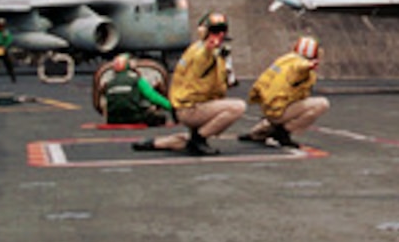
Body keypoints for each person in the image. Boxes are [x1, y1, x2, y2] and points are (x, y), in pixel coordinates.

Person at [132, 11, 245, 156]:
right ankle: (200, 139)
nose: (220, 34)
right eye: (216, 31)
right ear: (205, 32)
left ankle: (155, 143)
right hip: (191, 108)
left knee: (185, 142)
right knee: (238, 107)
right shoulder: (203, 52)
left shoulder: (198, 49)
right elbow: (202, 63)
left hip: (184, 105)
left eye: (223, 30)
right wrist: (209, 50)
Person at [239, 36, 329, 148]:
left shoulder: (283, 60)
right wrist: (308, 66)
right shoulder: (302, 67)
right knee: (321, 104)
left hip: (269, 107)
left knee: (290, 102)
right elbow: (299, 68)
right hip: (278, 111)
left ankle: (260, 130)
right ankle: (283, 131)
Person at [100, 53, 171, 126]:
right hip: (134, 118)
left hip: (113, 120)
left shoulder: (109, 82)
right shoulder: (136, 80)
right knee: (158, 117)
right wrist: (172, 106)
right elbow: (153, 97)